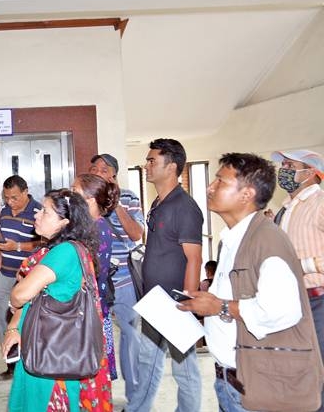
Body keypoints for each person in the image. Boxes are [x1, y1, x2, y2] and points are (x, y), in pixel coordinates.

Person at [178, 153, 324, 412]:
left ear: (247, 194)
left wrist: (220, 306)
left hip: (256, 384)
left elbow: (280, 312)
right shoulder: (234, 239)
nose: (210, 187)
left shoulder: (266, 240)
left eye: (220, 181)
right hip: (232, 380)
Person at [3, 188, 112, 412]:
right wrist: (13, 327)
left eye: (45, 211)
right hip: (48, 346)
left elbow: (20, 295)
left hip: (51, 354)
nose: (37, 214)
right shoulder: (70, 249)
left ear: (64, 223)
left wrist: (15, 297)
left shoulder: (64, 252)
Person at [127, 138, 203, 412]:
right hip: (155, 300)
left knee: (185, 370)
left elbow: (194, 258)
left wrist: (187, 302)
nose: (146, 165)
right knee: (147, 361)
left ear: (171, 167)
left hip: (175, 301)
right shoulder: (159, 203)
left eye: (152, 161)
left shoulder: (184, 206)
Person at [89, 152, 145, 402]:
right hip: (93, 282)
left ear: (114, 175)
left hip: (123, 281)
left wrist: (116, 202)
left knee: (131, 336)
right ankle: (99, 394)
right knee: (96, 338)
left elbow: (136, 234)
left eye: (104, 169)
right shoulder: (85, 199)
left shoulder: (129, 197)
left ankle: (134, 396)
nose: (97, 172)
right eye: (94, 168)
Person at [271, 149, 324, 412]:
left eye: (290, 165)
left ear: (311, 172)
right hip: (292, 303)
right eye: (283, 165)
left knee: (318, 373)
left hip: (319, 302)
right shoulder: (285, 208)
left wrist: (303, 266)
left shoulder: (320, 203)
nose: (284, 170)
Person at [0, 175, 41, 380]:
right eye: (6, 197)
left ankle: (30, 363)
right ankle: (12, 364)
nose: (10, 202)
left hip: (29, 276)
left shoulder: (38, 212)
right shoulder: (4, 212)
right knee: (1, 316)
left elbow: (42, 244)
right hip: (6, 272)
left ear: (25, 192)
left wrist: (18, 246)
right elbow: (1, 238)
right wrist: (2, 252)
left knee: (28, 318)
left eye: (14, 197)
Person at [72, 173, 119, 382]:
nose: (70, 196)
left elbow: (89, 273)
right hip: (86, 306)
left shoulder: (98, 229)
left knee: (92, 370)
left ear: (90, 199)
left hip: (91, 309)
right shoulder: (86, 226)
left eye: (75, 191)